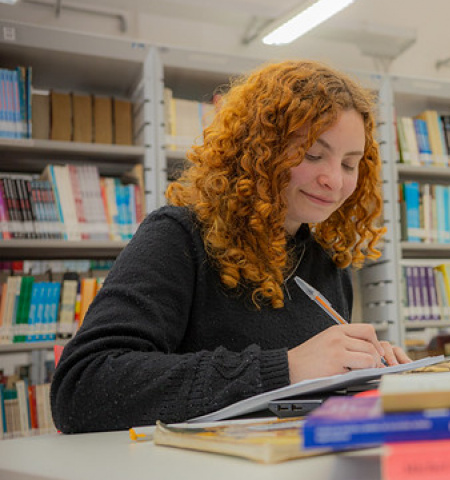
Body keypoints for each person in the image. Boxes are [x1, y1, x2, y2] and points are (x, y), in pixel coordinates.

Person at [50, 60, 410, 434]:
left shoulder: (325, 262)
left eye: (350, 164)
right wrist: (286, 367)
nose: (334, 180)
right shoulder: (178, 237)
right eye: (312, 155)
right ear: (260, 149)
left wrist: (363, 376)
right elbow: (81, 388)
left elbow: (299, 406)